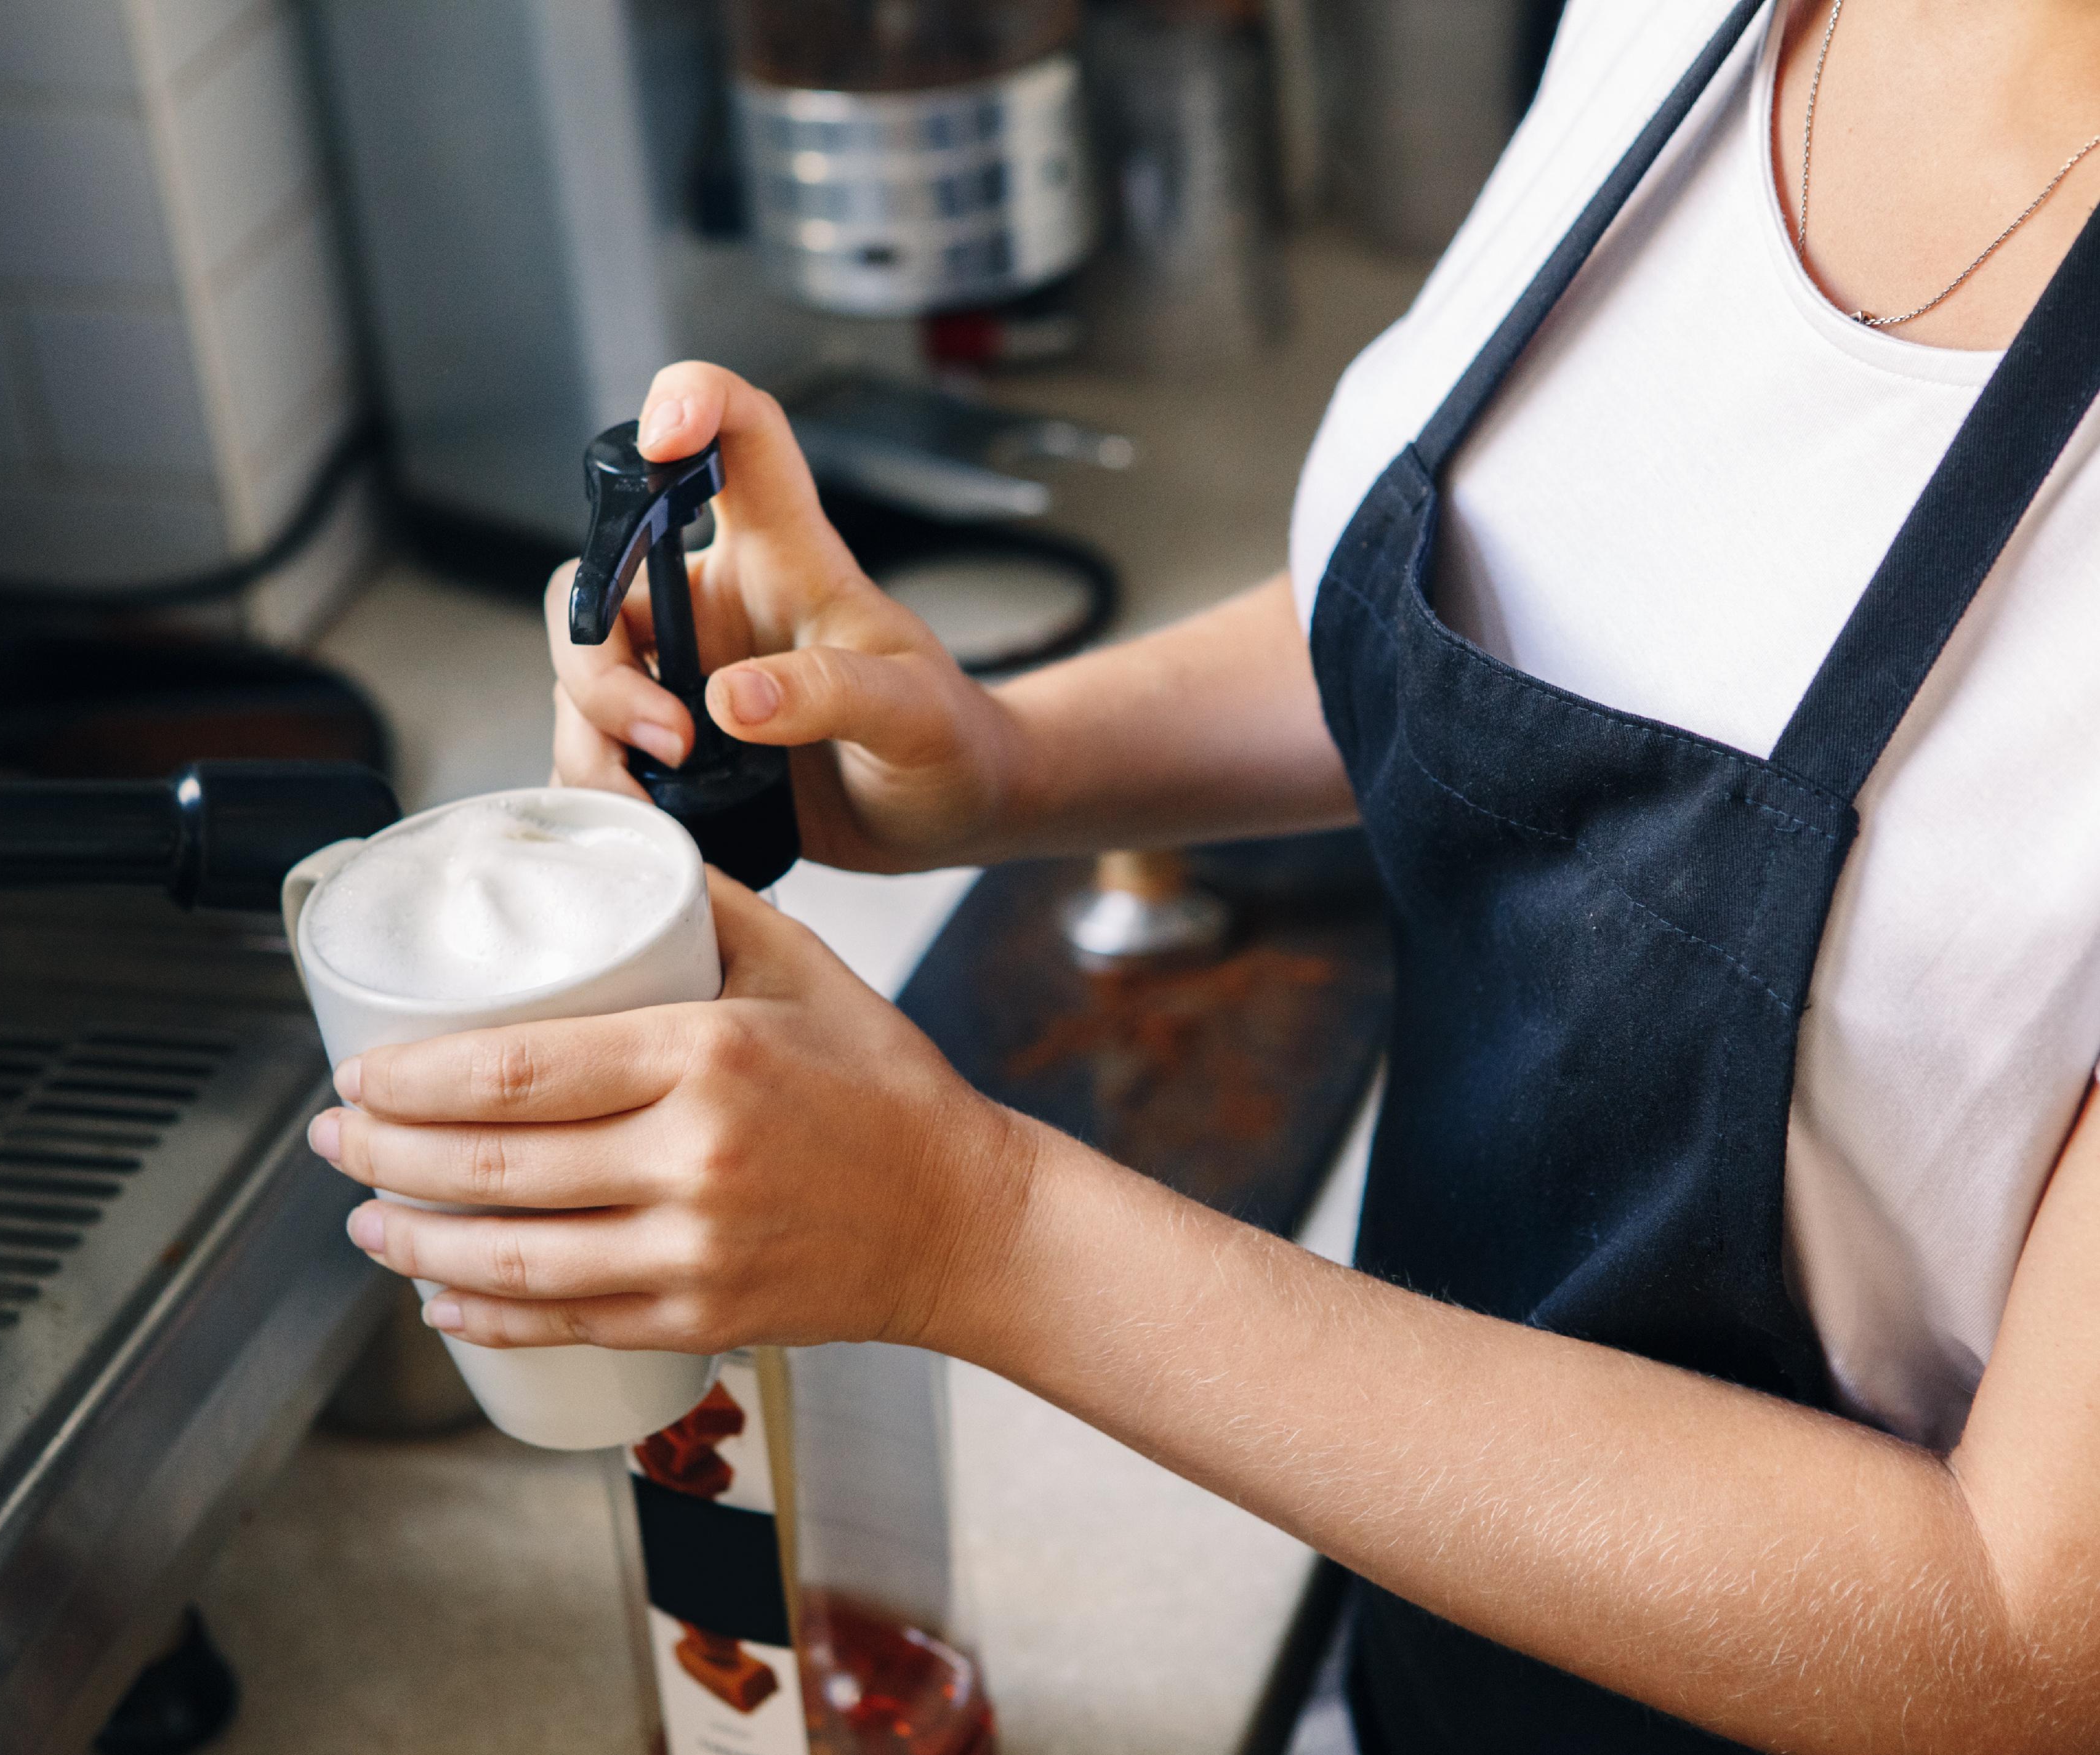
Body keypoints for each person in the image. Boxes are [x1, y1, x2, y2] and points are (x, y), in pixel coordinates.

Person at [303, 1, 2100, 1747]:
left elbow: (2026, 1646)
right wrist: (1001, 762)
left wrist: (969, 1228)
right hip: (1430, 1670)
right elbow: (1542, 582)